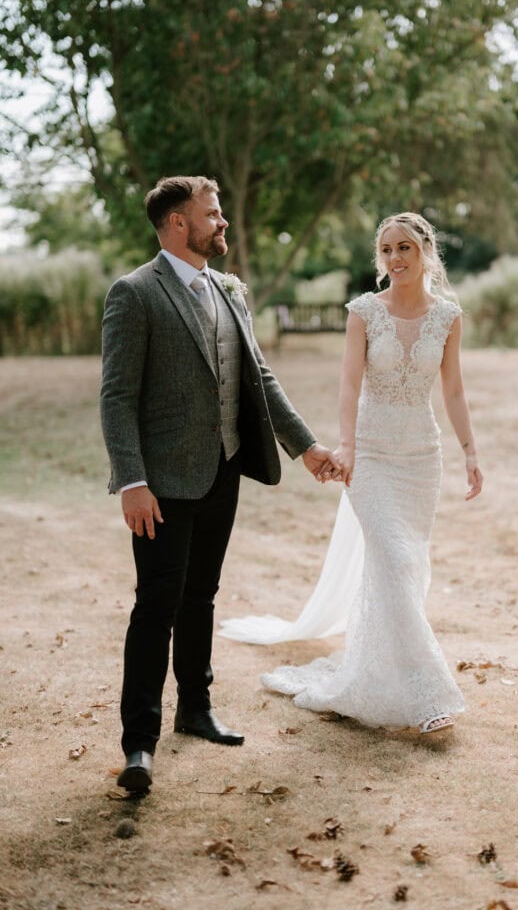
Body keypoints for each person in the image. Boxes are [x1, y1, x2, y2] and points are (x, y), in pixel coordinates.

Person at [100, 175, 341, 793]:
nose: (222, 222)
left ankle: (196, 709)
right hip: (161, 484)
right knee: (156, 605)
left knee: (201, 597)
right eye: (212, 214)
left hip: (223, 472)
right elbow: (118, 396)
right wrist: (131, 480)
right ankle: (139, 744)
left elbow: (259, 377)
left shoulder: (228, 290)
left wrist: (307, 447)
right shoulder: (134, 293)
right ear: (179, 223)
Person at [220, 212, 483, 736]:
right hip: (372, 458)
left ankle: (377, 669)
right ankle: (427, 693)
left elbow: (452, 391)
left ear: (425, 252)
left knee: (407, 566)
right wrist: (347, 447)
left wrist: (470, 452)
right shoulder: (365, 312)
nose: (395, 259)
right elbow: (348, 386)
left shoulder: (448, 316)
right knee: (389, 554)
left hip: (421, 459)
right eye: (386, 250)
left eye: (405, 247)